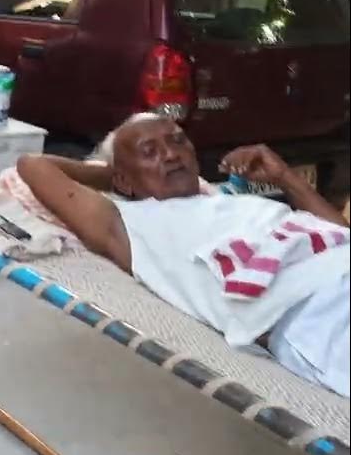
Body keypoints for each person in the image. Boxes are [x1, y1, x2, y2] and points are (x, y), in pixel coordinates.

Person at [17, 112, 349, 397]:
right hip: (313, 314)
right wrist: (119, 178)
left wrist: (284, 176)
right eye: (150, 151)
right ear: (122, 179)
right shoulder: (131, 226)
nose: (171, 155)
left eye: (177, 141)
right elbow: (33, 165)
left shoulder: (239, 203)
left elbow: (340, 237)